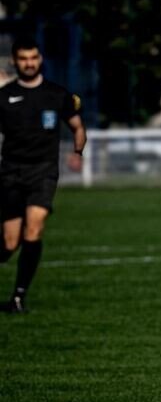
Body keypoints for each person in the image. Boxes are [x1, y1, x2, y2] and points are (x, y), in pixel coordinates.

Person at [0, 37, 86, 314]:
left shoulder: (56, 94)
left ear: (40, 60)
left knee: (34, 229)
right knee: (9, 243)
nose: (29, 63)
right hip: (11, 172)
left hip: (44, 172)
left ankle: (18, 297)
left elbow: (77, 126)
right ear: (15, 61)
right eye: (23, 59)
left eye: (33, 58)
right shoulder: (4, 95)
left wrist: (77, 152)